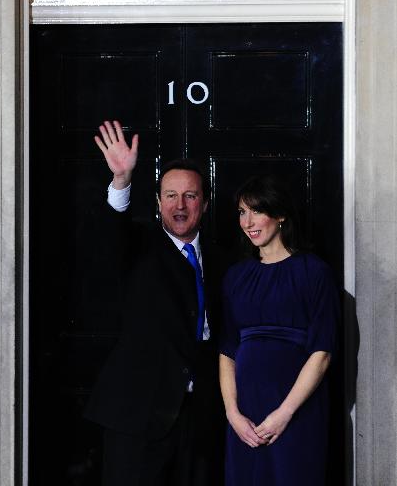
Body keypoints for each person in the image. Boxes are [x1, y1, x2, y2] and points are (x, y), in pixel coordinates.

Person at [85, 120, 228, 486]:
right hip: (137, 417)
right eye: (170, 195)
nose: (180, 206)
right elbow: (107, 239)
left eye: (190, 196)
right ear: (158, 202)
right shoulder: (139, 247)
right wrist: (121, 181)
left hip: (200, 420)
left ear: (205, 203)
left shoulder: (224, 260)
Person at [219, 174, 339, 486]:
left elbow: (322, 353)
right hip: (245, 413)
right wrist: (233, 414)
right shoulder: (236, 277)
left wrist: (283, 414)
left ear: (280, 214)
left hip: (296, 411)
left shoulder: (314, 272)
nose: (248, 222)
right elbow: (227, 351)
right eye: (242, 213)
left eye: (256, 211)